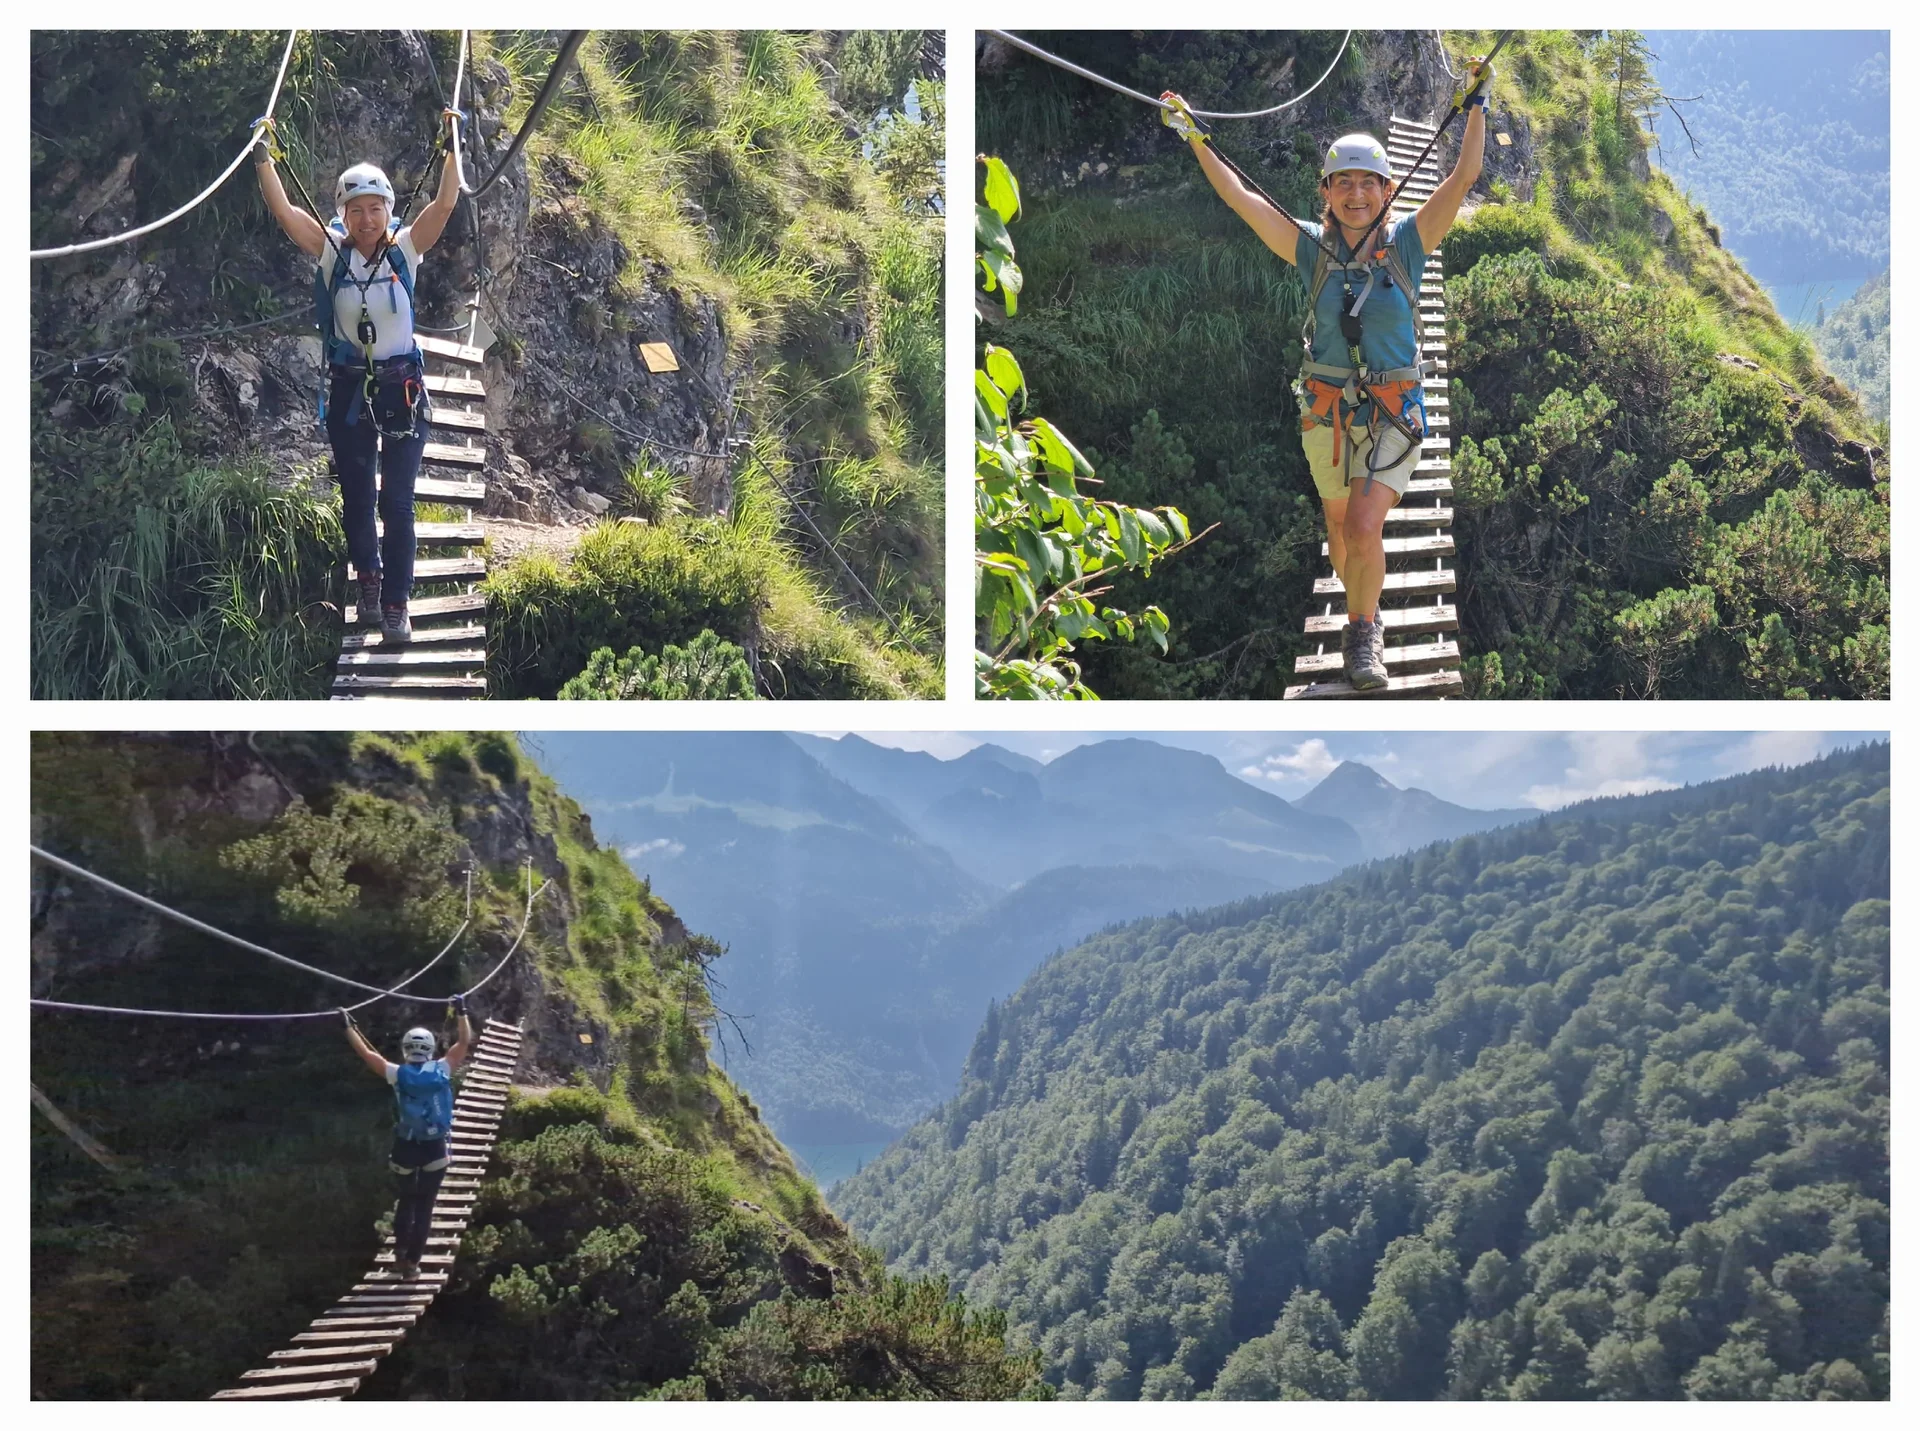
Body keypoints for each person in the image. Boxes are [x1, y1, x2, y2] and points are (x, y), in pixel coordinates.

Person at [1161, 59, 1494, 689]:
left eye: (1369, 183)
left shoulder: (1410, 245)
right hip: (1327, 412)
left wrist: (1475, 104)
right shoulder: (1309, 246)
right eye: (1344, 183)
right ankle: (1361, 607)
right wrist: (1195, 135)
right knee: (1341, 528)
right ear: (1326, 193)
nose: (1357, 194)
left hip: (1394, 410)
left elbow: (1463, 175)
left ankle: (1363, 635)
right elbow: (1241, 198)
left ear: (1388, 191)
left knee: (1365, 525)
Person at [255, 112, 465, 642]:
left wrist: (450, 147)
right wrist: (264, 154)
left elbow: (444, 204)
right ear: (343, 215)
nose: (367, 219)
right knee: (356, 496)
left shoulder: (404, 251)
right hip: (350, 387)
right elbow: (284, 210)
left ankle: (397, 604)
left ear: (388, 212)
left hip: (402, 388)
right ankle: (368, 584)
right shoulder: (332, 253)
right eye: (356, 210)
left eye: (375, 209)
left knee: (396, 500)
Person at [344, 995, 472, 1277]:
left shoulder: (397, 1073)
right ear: (430, 1048)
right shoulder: (442, 1069)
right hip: (435, 1146)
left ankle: (399, 1259)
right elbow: (463, 1043)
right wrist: (461, 1012)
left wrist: (350, 1028)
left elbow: (368, 1056)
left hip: (406, 1145)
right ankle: (413, 1264)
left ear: (405, 1049)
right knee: (425, 1206)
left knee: (406, 1200)